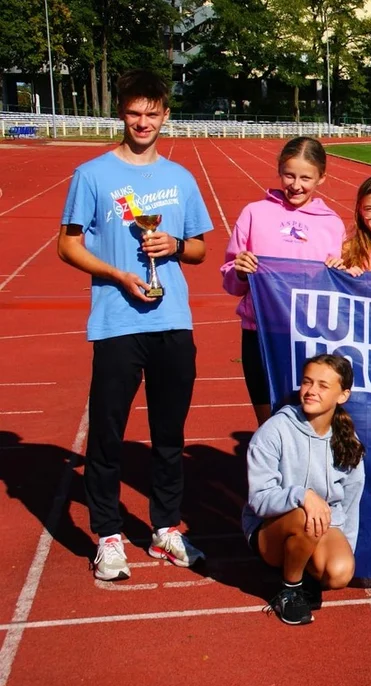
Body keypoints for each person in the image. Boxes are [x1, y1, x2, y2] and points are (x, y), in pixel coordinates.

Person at [56, 69, 213, 581]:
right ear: (121, 114)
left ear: (165, 115)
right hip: (117, 321)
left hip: (172, 320)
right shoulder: (92, 175)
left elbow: (200, 249)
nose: (143, 122)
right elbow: (67, 245)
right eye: (133, 113)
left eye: (152, 113)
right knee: (107, 433)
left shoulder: (180, 178)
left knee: (169, 435)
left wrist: (175, 246)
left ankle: (165, 528)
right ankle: (108, 535)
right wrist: (117, 274)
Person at [221, 137, 347, 426]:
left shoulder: (331, 223)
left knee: (310, 421)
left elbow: (337, 286)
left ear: (322, 178)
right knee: (269, 424)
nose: (296, 185)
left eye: (306, 178)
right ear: (279, 171)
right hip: (260, 335)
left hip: (309, 336)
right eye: (289, 175)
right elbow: (231, 282)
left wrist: (339, 272)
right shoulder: (254, 213)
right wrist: (239, 271)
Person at [243, 353, 366, 625]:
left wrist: (345, 544)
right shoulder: (275, 430)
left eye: (323, 385)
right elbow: (259, 499)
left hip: (320, 525)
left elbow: (351, 499)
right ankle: (289, 590)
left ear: (342, 395)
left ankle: (305, 570)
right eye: (307, 382)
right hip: (270, 529)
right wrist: (302, 495)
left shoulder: (348, 438)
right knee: (304, 515)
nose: (311, 390)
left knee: (339, 572)